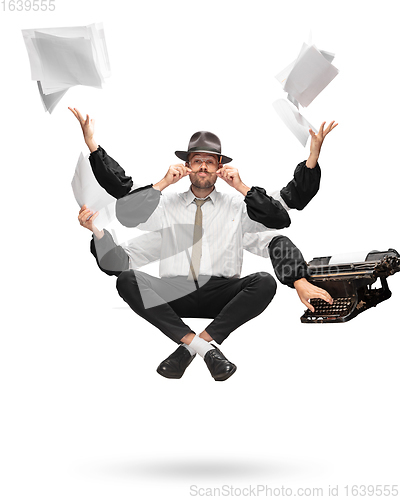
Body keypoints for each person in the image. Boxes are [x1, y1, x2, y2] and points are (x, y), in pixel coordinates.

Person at [70, 107, 337, 381]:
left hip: (221, 295)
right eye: (197, 160)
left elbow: (283, 212)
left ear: (219, 166)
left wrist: (299, 280)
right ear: (187, 166)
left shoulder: (238, 208)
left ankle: (189, 348)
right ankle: (204, 348)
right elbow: (126, 207)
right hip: (175, 293)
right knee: (126, 280)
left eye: (210, 161)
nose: (203, 166)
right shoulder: (166, 208)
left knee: (265, 282)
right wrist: (95, 149)